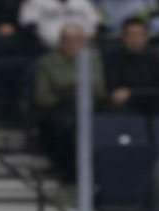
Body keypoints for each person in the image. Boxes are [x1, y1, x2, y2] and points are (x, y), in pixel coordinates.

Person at [33, 23, 105, 179]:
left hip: (90, 106)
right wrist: (77, 86)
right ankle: (67, 170)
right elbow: (43, 96)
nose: (72, 44)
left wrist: (66, 84)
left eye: (76, 40)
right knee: (67, 124)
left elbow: (99, 89)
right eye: (67, 40)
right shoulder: (48, 61)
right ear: (61, 41)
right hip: (58, 108)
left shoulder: (92, 59)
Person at [104, 17, 159, 115]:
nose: (135, 39)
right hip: (126, 108)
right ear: (123, 37)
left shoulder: (156, 59)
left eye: (139, 35)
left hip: (154, 106)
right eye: (131, 35)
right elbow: (114, 92)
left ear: (146, 37)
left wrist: (131, 93)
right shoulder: (114, 58)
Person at [17, 0, 99, 49]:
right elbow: (27, 25)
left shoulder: (82, 2)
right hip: (47, 49)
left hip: (83, 49)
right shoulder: (35, 2)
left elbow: (95, 22)